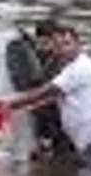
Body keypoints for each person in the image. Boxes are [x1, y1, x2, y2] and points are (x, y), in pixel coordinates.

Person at [9, 20, 91, 171]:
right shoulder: (68, 69)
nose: (62, 49)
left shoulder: (79, 69)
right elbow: (48, 99)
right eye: (58, 46)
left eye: (67, 44)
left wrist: (7, 105)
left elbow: (46, 92)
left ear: (78, 45)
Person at [31, 19, 76, 158]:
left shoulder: (63, 64)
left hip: (62, 127)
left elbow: (51, 96)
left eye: (45, 43)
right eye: (39, 43)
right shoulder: (44, 59)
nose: (41, 47)